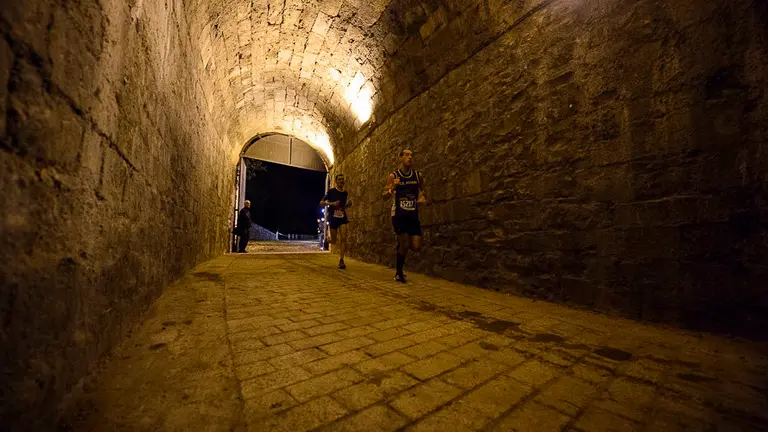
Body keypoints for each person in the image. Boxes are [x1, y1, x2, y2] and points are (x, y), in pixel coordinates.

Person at [383, 149, 426, 283]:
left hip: (413, 215)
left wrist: (421, 197)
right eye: (407, 155)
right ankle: (399, 272)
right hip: (399, 215)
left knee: (416, 246)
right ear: (401, 158)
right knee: (405, 243)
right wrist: (392, 189)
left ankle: (400, 247)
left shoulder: (418, 176)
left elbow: (422, 191)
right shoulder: (394, 176)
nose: (410, 157)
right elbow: (384, 196)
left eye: (412, 155)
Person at [320, 174, 353, 269]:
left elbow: (343, 206)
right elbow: (321, 202)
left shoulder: (345, 193)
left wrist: (348, 205)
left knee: (343, 238)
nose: (341, 181)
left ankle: (341, 260)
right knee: (334, 241)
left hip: (342, 217)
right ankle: (328, 239)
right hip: (333, 218)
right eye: (339, 179)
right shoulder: (331, 192)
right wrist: (331, 203)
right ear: (336, 181)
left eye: (343, 179)